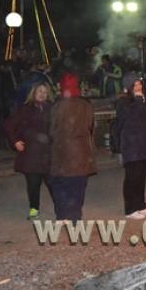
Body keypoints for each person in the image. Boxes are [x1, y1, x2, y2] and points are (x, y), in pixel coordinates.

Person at [49, 73, 96, 221]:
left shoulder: (57, 106)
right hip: (81, 150)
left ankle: (62, 214)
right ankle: (75, 215)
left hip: (62, 150)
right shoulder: (86, 105)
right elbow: (90, 125)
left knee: (60, 184)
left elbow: (51, 129)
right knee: (78, 185)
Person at [4, 82, 54, 219]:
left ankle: (60, 209)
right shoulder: (25, 109)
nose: (42, 94)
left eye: (45, 92)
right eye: (39, 91)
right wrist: (15, 141)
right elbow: (9, 125)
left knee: (53, 183)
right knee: (33, 184)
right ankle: (34, 209)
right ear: (34, 93)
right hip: (31, 154)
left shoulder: (52, 108)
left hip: (48, 153)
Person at [113, 79, 146, 220]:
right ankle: (130, 209)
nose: (138, 87)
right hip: (131, 144)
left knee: (141, 177)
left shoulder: (143, 100)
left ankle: (141, 205)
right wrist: (139, 102)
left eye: (140, 84)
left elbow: (145, 117)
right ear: (129, 87)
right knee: (132, 178)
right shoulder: (124, 102)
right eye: (135, 85)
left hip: (144, 143)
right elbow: (129, 119)